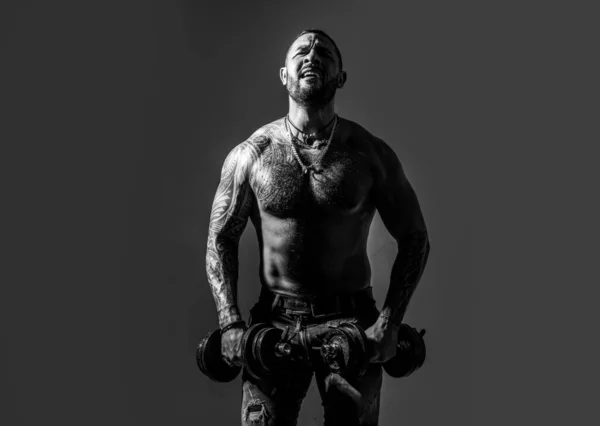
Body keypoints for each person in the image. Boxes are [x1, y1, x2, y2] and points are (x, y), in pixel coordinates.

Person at [205, 29, 431, 426]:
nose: (312, 56)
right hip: (273, 322)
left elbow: (415, 238)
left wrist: (389, 324)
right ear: (283, 75)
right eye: (301, 51)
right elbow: (221, 238)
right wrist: (229, 324)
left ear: (341, 77)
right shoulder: (251, 155)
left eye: (323, 51)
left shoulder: (369, 153)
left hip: (352, 321)